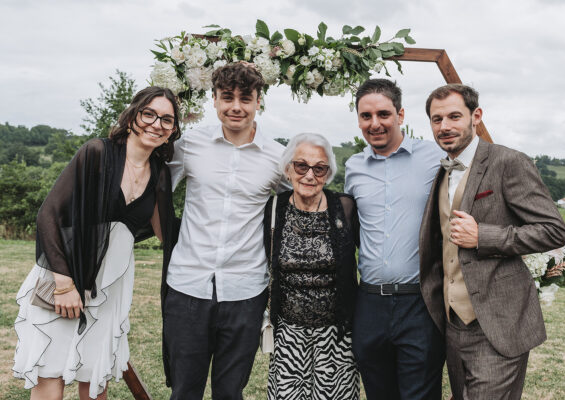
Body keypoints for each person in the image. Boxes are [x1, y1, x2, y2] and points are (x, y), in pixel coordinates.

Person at [12, 86, 180, 400]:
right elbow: (48, 215)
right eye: (149, 114)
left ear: (172, 131)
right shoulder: (97, 153)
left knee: (95, 380)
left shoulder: (159, 174)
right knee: (51, 372)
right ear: (133, 117)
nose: (157, 124)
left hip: (111, 288)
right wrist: (64, 285)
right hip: (65, 275)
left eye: (167, 120)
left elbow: (168, 233)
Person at [419, 84, 565, 399]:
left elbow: (553, 230)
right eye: (437, 119)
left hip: (497, 323)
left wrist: (483, 236)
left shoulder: (508, 162)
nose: (444, 127)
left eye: (454, 116)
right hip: (453, 324)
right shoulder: (442, 172)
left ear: (476, 116)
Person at [163, 62, 287, 399]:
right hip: (187, 285)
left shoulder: (278, 157)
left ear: (258, 101)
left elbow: (307, 196)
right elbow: (153, 193)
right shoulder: (189, 145)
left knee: (230, 392)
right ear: (214, 100)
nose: (236, 106)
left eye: (245, 98)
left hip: (246, 290)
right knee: (184, 390)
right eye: (227, 97)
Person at [345, 78, 446, 399]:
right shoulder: (353, 167)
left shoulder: (434, 157)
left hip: (419, 303)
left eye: (383, 114)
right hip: (369, 303)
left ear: (400, 115)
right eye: (366, 116)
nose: (374, 124)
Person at [264, 133, 360, 400]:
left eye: (319, 168)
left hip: (337, 336)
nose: (309, 175)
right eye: (301, 166)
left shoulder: (345, 207)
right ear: (288, 169)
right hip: (288, 334)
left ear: (328, 173)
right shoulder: (274, 208)